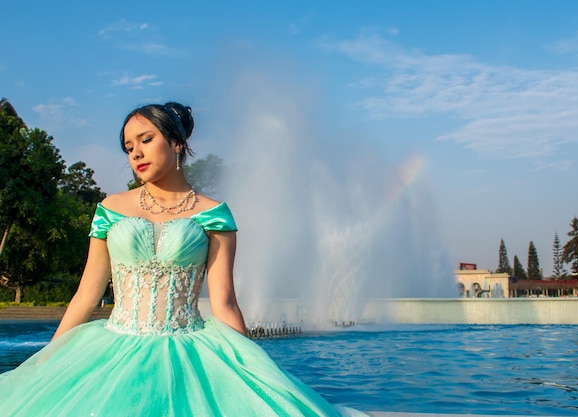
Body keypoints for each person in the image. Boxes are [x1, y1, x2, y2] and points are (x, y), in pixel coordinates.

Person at [0, 102, 367, 416]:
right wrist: (49, 359)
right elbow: (86, 294)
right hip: (111, 348)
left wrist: (257, 369)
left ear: (176, 143)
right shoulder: (110, 209)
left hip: (188, 348)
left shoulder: (214, 215)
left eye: (146, 140)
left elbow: (224, 302)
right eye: (129, 148)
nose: (136, 154)